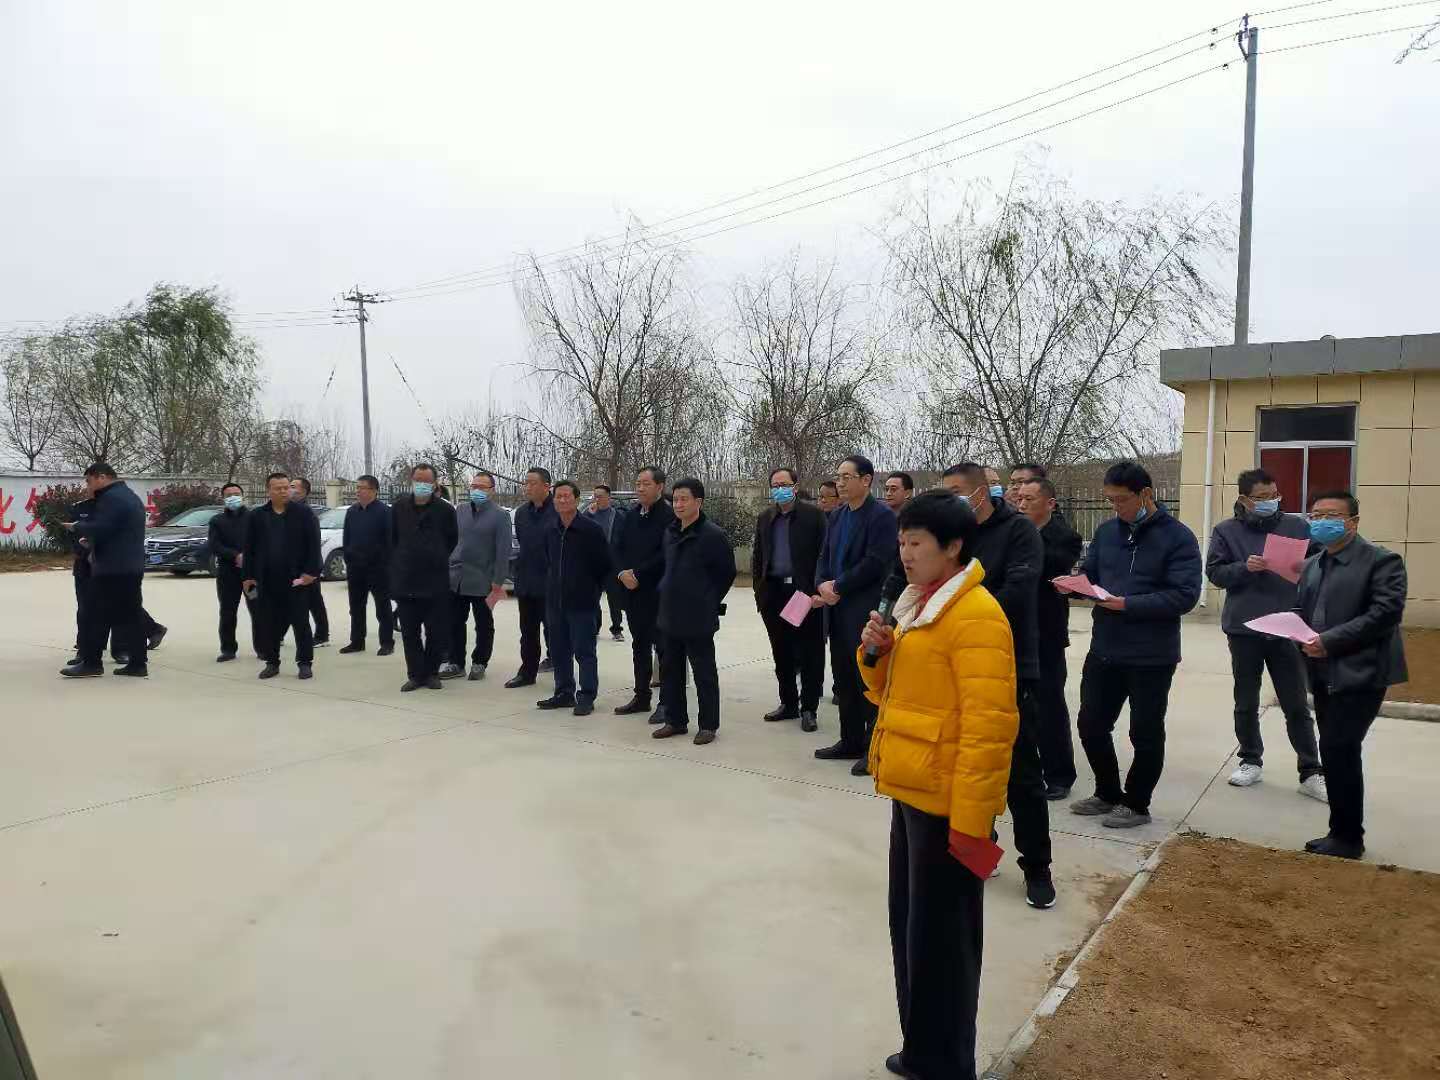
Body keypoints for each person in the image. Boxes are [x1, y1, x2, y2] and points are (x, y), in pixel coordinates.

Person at [857, 490, 1018, 1080]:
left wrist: (972, 824)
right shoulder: (918, 605)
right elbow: (890, 695)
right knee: (913, 932)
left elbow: (989, 728)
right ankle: (923, 1050)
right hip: (912, 790)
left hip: (948, 806)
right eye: (902, 542)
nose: (905, 553)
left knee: (945, 945)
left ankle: (948, 1063)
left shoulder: (976, 616)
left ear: (952, 547)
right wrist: (876, 654)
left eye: (917, 543)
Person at [943, 463, 1054, 909]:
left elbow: (1018, 591)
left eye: (957, 491)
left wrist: (960, 618)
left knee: (1021, 774)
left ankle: (1038, 867)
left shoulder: (1019, 531)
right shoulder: (956, 535)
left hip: (1009, 666)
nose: (952, 499)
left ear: (980, 492)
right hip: (958, 666)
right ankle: (978, 854)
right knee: (970, 769)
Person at [1068, 461, 1201, 828]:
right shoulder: (1107, 531)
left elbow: (1185, 595)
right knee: (1091, 724)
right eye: (1110, 500)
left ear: (1146, 494)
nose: (1116, 507)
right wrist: (1075, 584)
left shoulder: (1178, 537)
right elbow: (1091, 573)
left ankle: (1137, 803)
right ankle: (1107, 792)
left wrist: (1128, 604)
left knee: (1144, 731)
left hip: (1151, 654)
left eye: (1122, 500)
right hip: (1105, 648)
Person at [1296, 491, 1407, 860]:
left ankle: (1348, 838)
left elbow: (1384, 613)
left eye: (1331, 515)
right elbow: (1302, 609)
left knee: (1339, 747)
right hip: (1321, 670)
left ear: (1353, 522)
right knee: (1334, 750)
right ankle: (1340, 832)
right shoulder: (1313, 563)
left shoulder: (1382, 561)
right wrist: (1288, 628)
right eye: (1315, 515)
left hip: (1361, 672)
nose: (1321, 521)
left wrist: (1329, 641)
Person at [1205, 468, 1326, 800]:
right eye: (1262, 497)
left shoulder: (1297, 527)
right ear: (1244, 499)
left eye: (1274, 495)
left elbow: (1323, 562)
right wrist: (1244, 567)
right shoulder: (1226, 531)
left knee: (1296, 703)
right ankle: (1250, 760)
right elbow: (1214, 572)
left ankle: (1311, 770)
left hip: (1287, 626)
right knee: (1246, 700)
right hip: (1244, 628)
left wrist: (1306, 567)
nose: (1271, 501)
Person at [812, 454, 899, 769]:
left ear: (866, 480)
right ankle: (849, 740)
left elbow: (876, 561)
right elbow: (824, 556)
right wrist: (822, 584)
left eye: (846, 477)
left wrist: (838, 586)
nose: (840, 483)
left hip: (865, 608)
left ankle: (872, 748)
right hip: (836, 609)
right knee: (844, 677)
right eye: (838, 477)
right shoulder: (837, 516)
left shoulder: (881, 517)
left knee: (868, 680)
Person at [653, 478, 737, 745]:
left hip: (698, 615)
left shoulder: (713, 535)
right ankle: (675, 721)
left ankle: (708, 725)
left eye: (684, 499)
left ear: (698, 502)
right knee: (671, 671)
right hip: (669, 613)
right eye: (675, 499)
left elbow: (726, 573)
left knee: (704, 673)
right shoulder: (670, 532)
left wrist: (707, 599)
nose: (678, 504)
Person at [1018, 477, 1084, 799]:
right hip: (1015, 627)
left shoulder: (1065, 537)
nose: (1022, 504)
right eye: (1020, 498)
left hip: (1046, 632)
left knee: (1049, 705)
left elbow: (1045, 566)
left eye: (1029, 499)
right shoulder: (1014, 532)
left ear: (1050, 504)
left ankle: (1059, 775)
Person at [752, 467, 828, 732]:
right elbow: (758, 556)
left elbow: (824, 553)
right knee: (781, 652)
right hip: (774, 592)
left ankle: (809, 708)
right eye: (775, 485)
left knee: (810, 653)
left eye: (784, 484)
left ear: (795, 487)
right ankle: (788, 703)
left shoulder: (814, 516)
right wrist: (759, 589)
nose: (779, 489)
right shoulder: (766, 518)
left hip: (804, 593)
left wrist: (818, 590)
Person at [61, 462, 149, 678]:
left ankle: (91, 663)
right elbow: (117, 530)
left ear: (101, 477)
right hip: (130, 565)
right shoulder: (128, 496)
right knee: (131, 615)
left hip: (113, 567)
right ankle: (138, 664)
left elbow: (102, 527)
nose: (88, 486)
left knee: (92, 613)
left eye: (89, 481)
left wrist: (77, 527)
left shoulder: (112, 498)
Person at [536, 480, 612, 715]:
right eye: (558, 496)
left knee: (584, 652)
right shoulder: (550, 529)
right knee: (559, 651)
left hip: (582, 603)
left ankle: (586, 695)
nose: (562, 500)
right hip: (555, 602)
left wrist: (591, 592)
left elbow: (603, 565)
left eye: (567, 496)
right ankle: (563, 692)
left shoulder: (591, 530)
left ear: (577, 500)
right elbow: (547, 561)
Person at [242, 471, 322, 681]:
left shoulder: (303, 514)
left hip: (297, 580)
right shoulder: (257, 516)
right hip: (267, 580)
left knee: (301, 623)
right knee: (269, 623)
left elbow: (314, 544)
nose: (284, 491)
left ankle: (304, 663)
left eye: (286, 487)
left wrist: (311, 572)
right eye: (278, 488)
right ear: (268, 491)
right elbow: (249, 548)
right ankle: (272, 662)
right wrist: (248, 576)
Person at [611, 466, 676, 719]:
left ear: (659, 486)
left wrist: (638, 573)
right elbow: (616, 547)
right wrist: (621, 573)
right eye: (638, 483)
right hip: (632, 593)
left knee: (664, 649)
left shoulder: (669, 516)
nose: (640, 488)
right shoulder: (630, 515)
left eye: (646, 484)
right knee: (639, 645)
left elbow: (665, 554)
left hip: (658, 593)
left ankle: (667, 703)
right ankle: (641, 696)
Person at [389, 463, 459, 692]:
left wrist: (435, 556)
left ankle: (431, 673)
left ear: (435, 483)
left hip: (435, 582)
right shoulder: (399, 508)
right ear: (411, 481)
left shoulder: (445, 511)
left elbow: (452, 540)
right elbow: (392, 539)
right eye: (418, 480)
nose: (422, 485)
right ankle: (415, 674)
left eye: (427, 481)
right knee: (409, 633)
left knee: (435, 632)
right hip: (406, 580)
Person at [441, 471, 511, 681]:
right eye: (474, 486)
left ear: (492, 491)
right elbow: (451, 540)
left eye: (482, 487)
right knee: (454, 622)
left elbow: (503, 551)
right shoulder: (461, 510)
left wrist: (498, 581)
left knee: (483, 624)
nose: (477, 490)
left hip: (483, 579)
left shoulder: (500, 515)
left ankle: (480, 662)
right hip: (457, 577)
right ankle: (456, 662)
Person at [506, 467, 557, 689]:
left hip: (551, 582)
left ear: (547, 486)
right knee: (527, 632)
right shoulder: (521, 513)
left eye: (532, 483)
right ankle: (527, 672)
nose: (527, 487)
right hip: (526, 581)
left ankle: (561, 672)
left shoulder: (558, 510)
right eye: (525, 483)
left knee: (554, 631)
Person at [339, 474, 395, 656]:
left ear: (373, 490)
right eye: (357, 487)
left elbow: (390, 541)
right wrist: (348, 558)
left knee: (382, 607)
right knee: (356, 607)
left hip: (378, 569)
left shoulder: (384, 512)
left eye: (362, 487)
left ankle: (387, 642)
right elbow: (347, 537)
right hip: (356, 568)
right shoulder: (352, 511)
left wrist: (385, 563)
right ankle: (357, 641)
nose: (358, 491)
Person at [208, 482, 261, 662]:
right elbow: (214, 545)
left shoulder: (254, 518)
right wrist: (235, 555)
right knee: (228, 611)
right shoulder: (217, 521)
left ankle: (262, 648)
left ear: (242, 496)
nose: (233, 497)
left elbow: (262, 542)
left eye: (236, 494)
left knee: (256, 609)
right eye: (229, 495)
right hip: (227, 574)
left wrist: (248, 556)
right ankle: (228, 649)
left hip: (250, 575)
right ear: (223, 498)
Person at [289, 477, 330, 647]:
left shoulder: (307, 514)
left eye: (293, 486)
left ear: (304, 492)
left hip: (308, 567)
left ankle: (322, 635)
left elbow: (313, 543)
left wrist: (311, 570)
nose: (289, 489)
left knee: (314, 602)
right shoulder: (287, 510)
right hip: (291, 566)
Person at [586, 483, 627, 643]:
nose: (596, 499)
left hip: (612, 564)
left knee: (614, 598)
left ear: (608, 498)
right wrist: (589, 515)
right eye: (595, 496)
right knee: (592, 598)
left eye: (600, 496)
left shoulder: (618, 516)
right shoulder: (589, 514)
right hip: (594, 564)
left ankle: (617, 629)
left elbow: (624, 540)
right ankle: (594, 627)